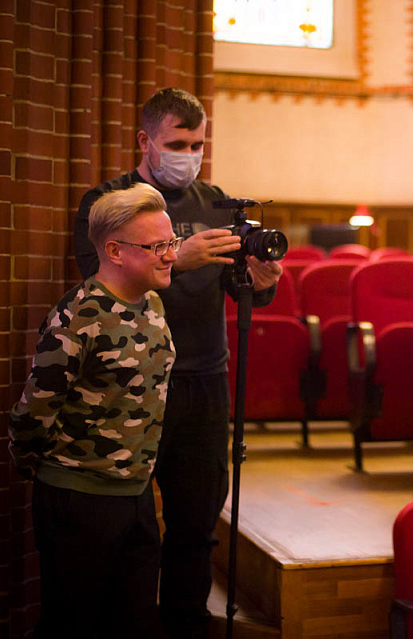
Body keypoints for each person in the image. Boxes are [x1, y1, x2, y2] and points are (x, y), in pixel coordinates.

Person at [72, 88, 282, 638]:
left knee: (197, 523)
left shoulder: (217, 203)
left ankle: (188, 625)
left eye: (197, 144)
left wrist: (261, 284)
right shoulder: (108, 203)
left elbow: (242, 291)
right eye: (176, 144)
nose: (189, 155)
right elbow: (94, 286)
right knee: (131, 527)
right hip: (133, 384)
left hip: (205, 379)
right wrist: (177, 259)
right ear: (146, 141)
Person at [9, 183, 177, 638]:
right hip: (79, 500)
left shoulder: (153, 303)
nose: (170, 255)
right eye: (157, 246)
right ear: (115, 251)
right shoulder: (79, 316)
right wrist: (49, 474)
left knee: (135, 625)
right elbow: (33, 412)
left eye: (172, 242)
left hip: (136, 495)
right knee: (73, 626)